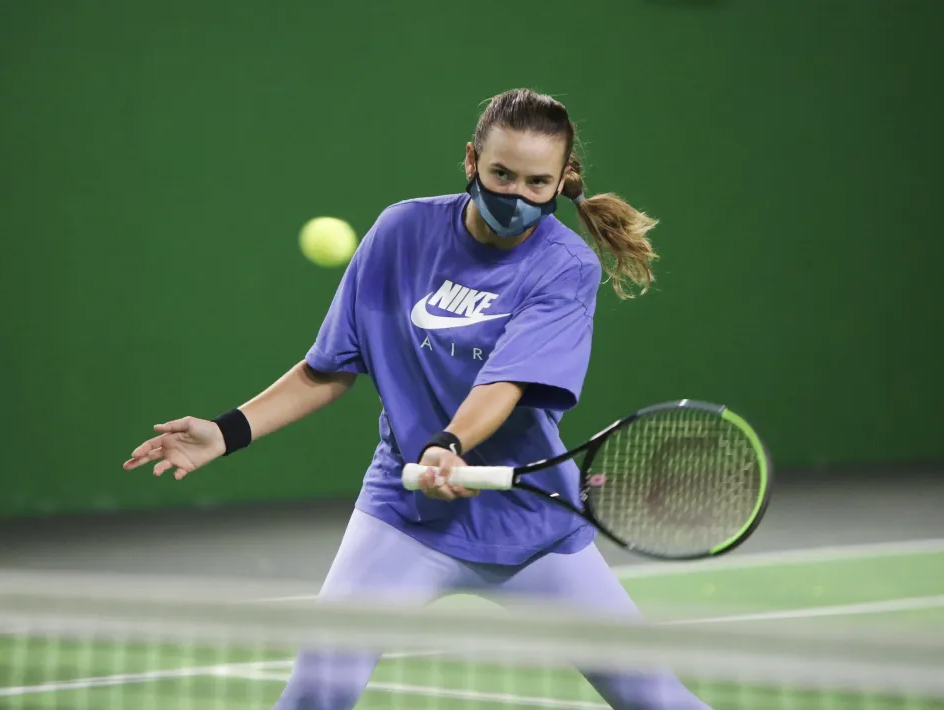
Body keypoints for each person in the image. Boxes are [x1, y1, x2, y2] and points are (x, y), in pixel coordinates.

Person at [124, 88, 711, 710]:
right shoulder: (400, 232)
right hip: (405, 514)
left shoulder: (566, 266)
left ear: (562, 180)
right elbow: (326, 369)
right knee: (315, 695)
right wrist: (225, 432)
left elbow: (504, 384)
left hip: (530, 522)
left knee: (656, 699)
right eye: (500, 174)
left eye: (537, 183)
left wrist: (451, 444)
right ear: (471, 161)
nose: (515, 196)